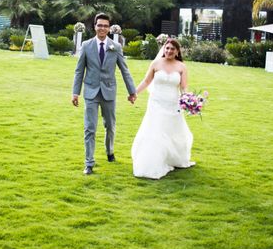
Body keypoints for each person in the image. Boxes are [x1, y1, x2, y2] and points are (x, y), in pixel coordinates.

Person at [72, 13, 137, 175]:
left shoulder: (116, 47)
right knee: (90, 128)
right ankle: (89, 163)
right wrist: (75, 93)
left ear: (109, 28)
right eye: (99, 25)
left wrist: (132, 91)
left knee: (110, 126)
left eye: (105, 26)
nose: (102, 28)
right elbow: (79, 71)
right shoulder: (86, 46)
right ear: (94, 26)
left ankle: (110, 151)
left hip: (109, 92)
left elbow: (125, 70)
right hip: (91, 92)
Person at [131, 38, 195, 179]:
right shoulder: (156, 63)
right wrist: (134, 93)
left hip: (173, 104)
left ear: (177, 51)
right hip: (156, 103)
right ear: (163, 49)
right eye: (167, 48)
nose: (169, 51)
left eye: (172, 49)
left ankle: (171, 158)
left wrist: (188, 100)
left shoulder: (181, 67)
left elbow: (184, 87)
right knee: (156, 131)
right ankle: (153, 161)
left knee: (171, 131)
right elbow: (147, 81)